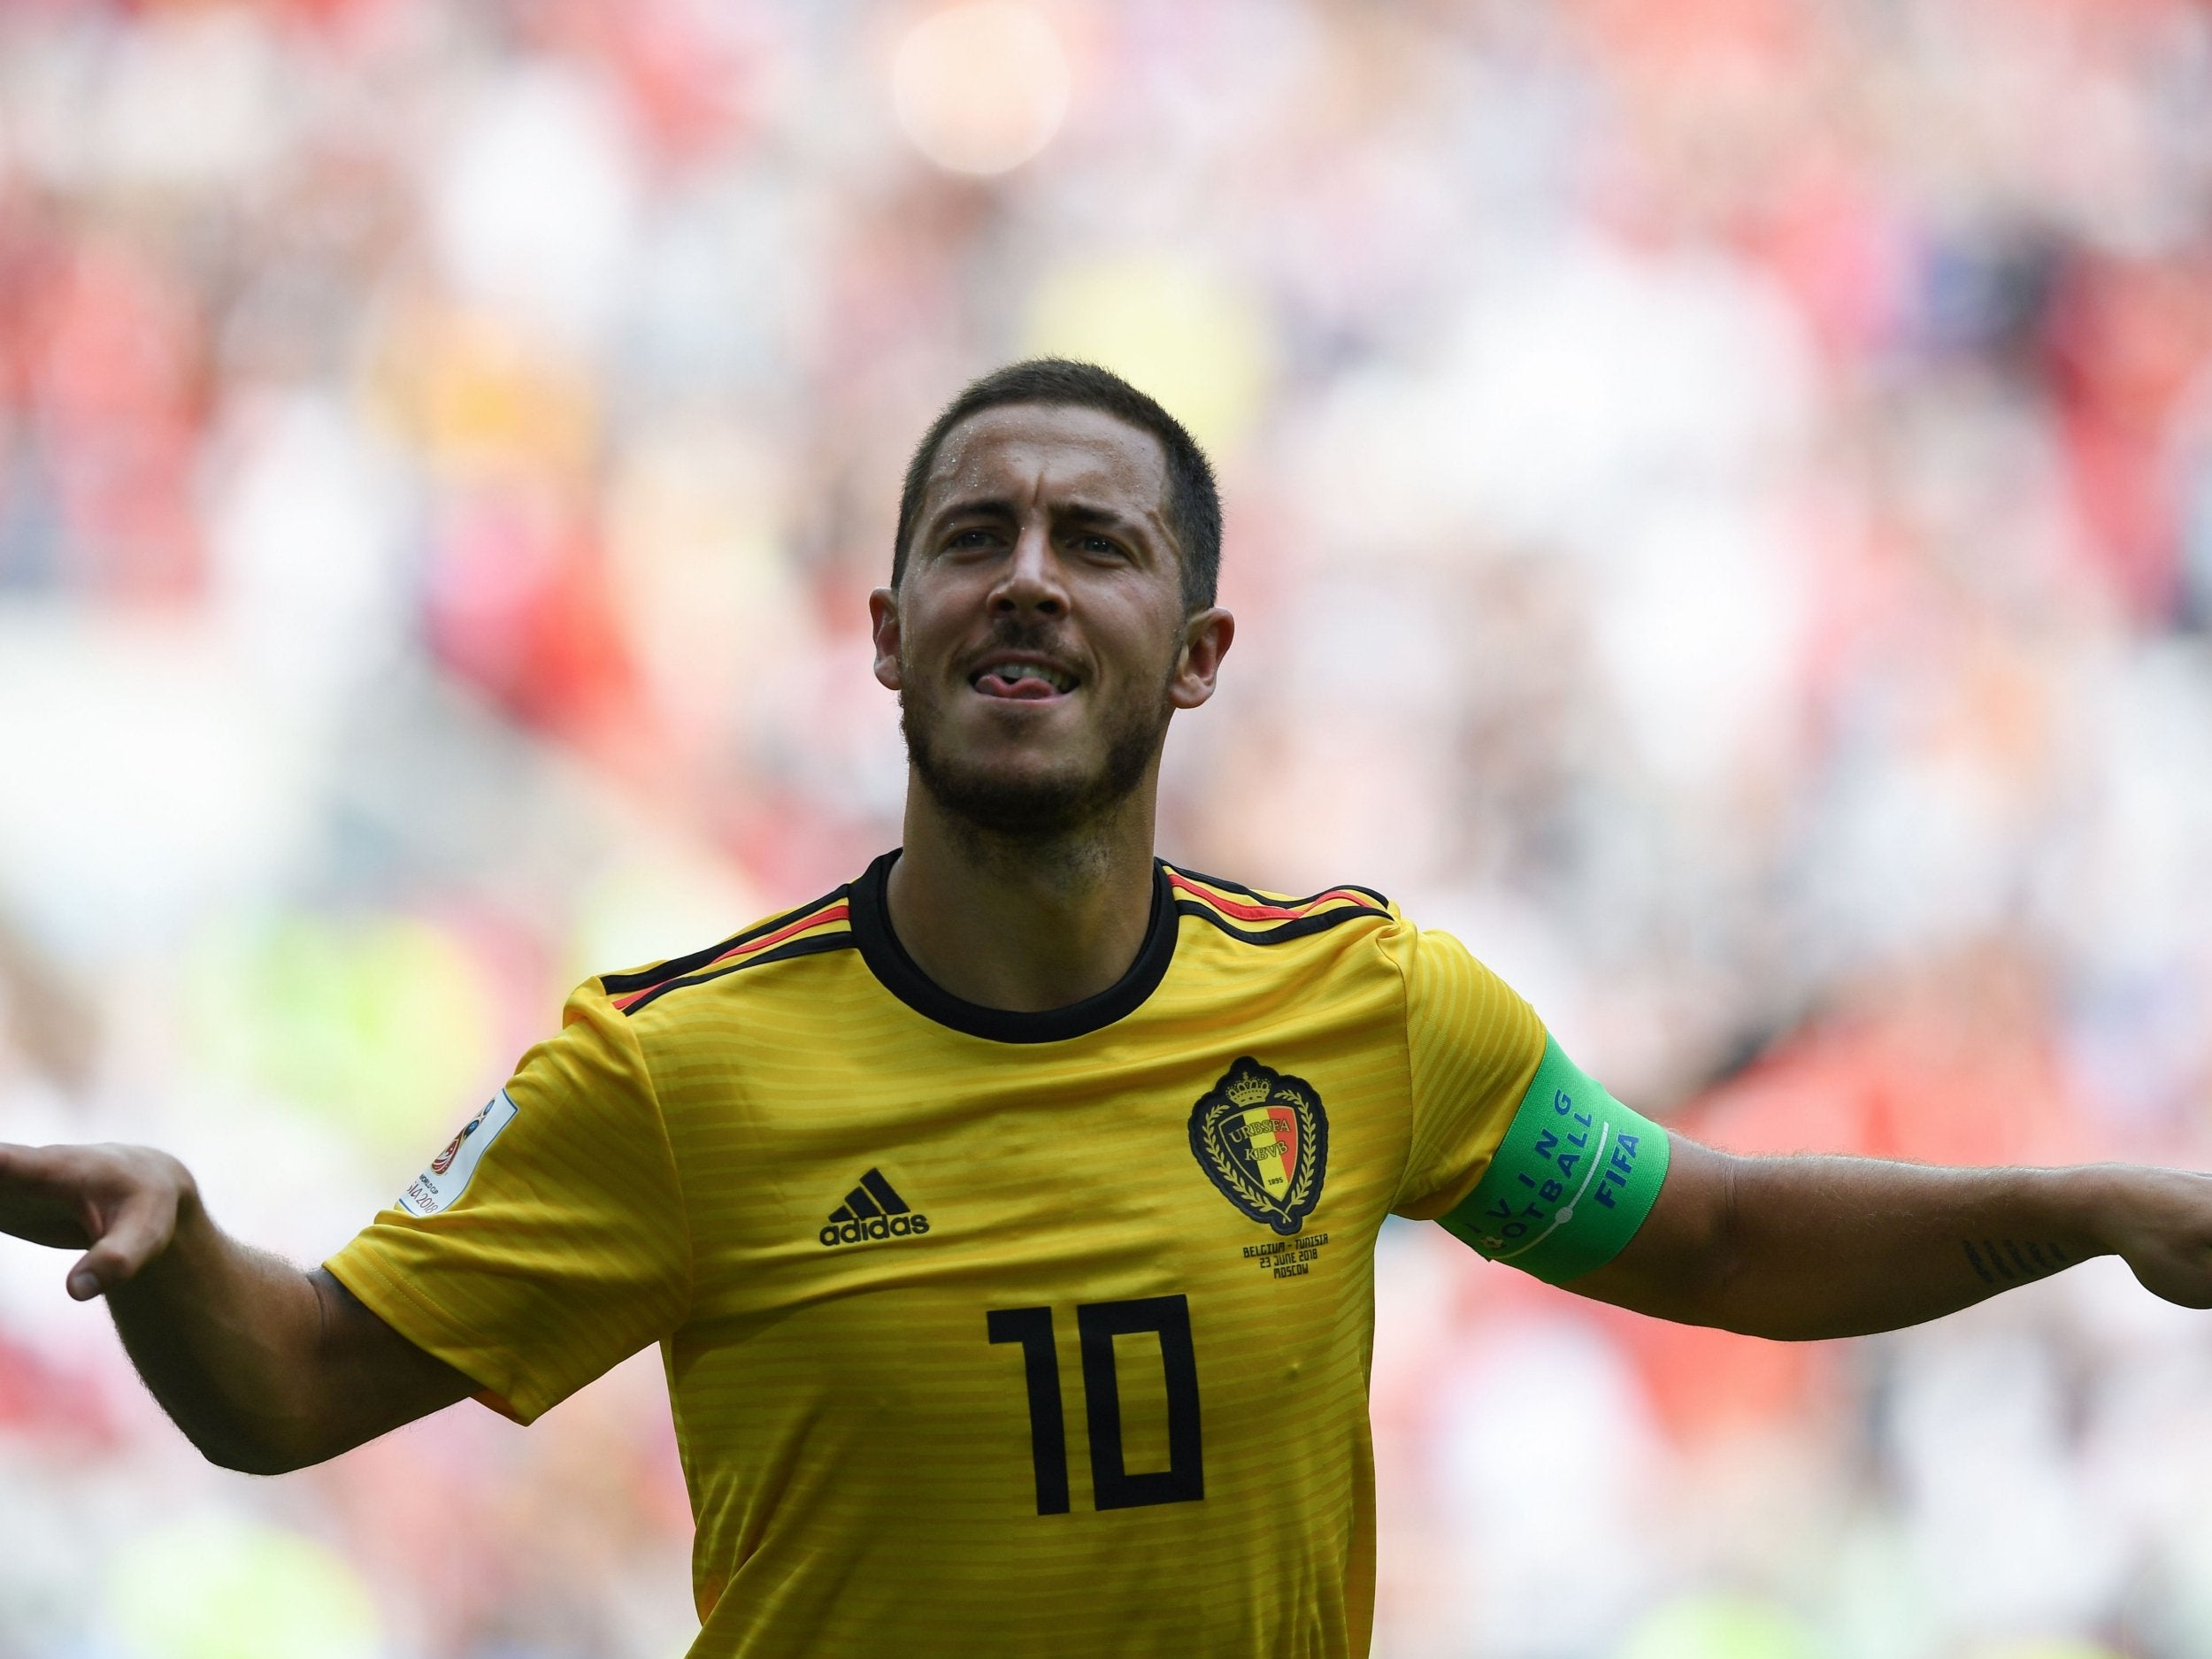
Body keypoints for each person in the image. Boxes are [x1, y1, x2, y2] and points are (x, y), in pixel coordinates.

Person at [4, 358, 2210, 1655]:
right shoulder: (670, 1067)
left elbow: (1710, 1233)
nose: (1031, 575)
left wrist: (2089, 1202)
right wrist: (184, 1238)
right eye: (975, 537)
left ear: (1201, 645)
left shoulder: (1367, 1011)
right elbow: (286, 1393)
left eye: (1097, 539)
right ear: (881, 631)